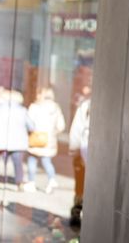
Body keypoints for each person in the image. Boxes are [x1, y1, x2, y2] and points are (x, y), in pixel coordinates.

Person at [0, 87, 29, 187]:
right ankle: (19, 182)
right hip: (17, 142)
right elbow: (31, 125)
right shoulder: (23, 111)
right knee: (17, 162)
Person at [24, 86, 67, 193]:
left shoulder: (35, 106)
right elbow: (61, 126)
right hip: (49, 139)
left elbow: (28, 123)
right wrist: (53, 133)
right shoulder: (56, 108)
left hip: (36, 137)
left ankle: (31, 183)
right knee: (47, 161)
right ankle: (51, 180)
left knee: (32, 159)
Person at [68, 84, 90, 225]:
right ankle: (77, 212)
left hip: (84, 152)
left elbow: (76, 130)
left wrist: (74, 148)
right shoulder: (86, 106)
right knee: (81, 184)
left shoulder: (86, 105)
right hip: (83, 153)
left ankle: (78, 212)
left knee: (81, 185)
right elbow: (77, 130)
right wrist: (75, 149)